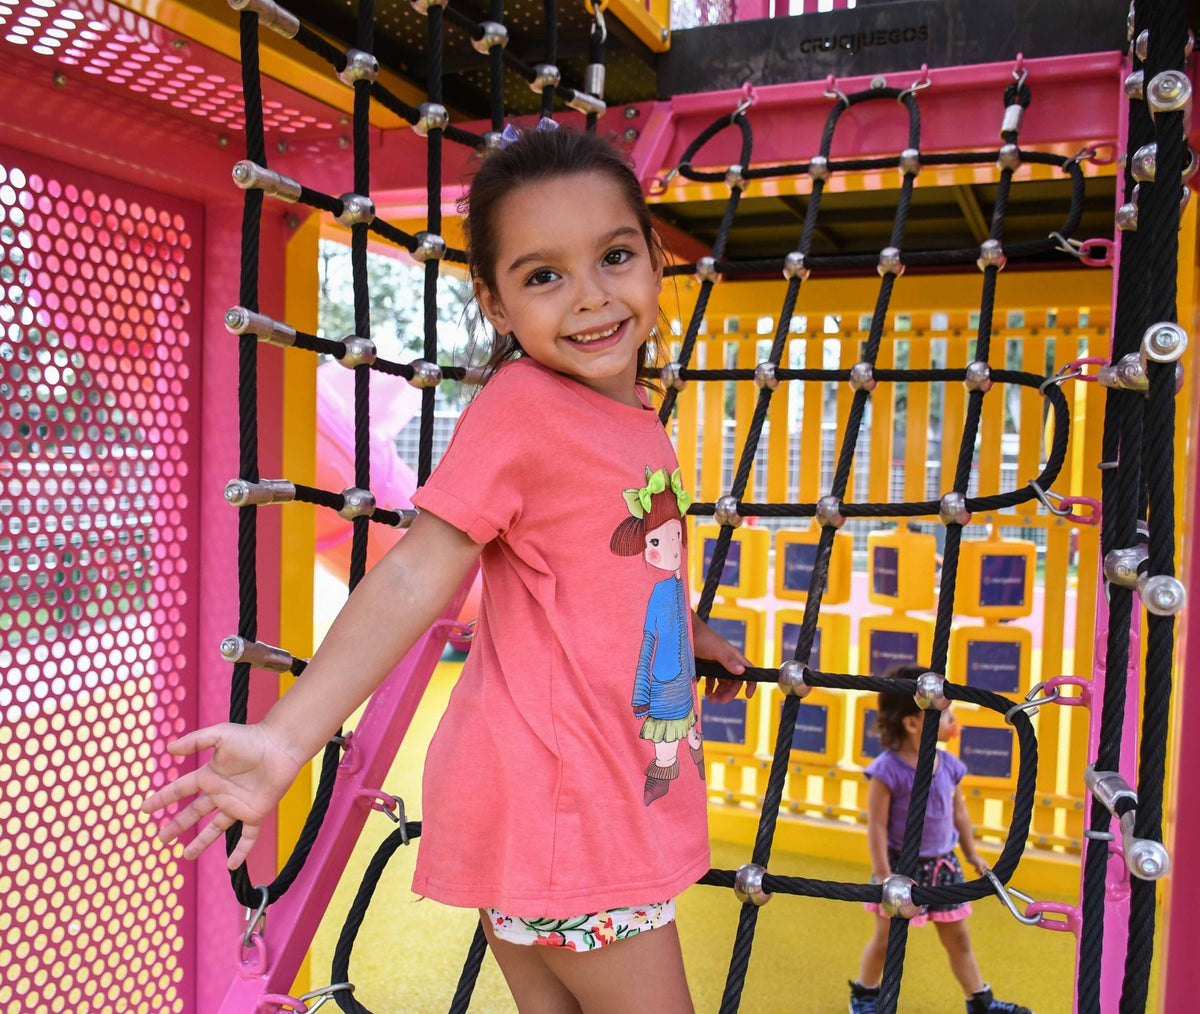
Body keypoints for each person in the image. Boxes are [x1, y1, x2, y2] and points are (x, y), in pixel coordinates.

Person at [140, 125, 754, 1014]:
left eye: (614, 257)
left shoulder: (632, 419)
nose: (589, 296)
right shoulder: (527, 406)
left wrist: (681, 629)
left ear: (656, 260)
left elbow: (597, 563)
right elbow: (415, 572)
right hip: (570, 816)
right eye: (543, 276)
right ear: (496, 305)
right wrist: (286, 737)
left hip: (570, 809)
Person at [848, 664, 1033, 1014]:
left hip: (944, 864)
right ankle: (865, 993)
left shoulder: (947, 764)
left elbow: (958, 811)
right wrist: (884, 873)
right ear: (912, 723)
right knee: (886, 940)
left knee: (959, 939)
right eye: (947, 716)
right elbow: (877, 826)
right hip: (900, 867)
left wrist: (972, 854)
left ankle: (980, 1001)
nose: (953, 722)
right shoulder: (888, 770)